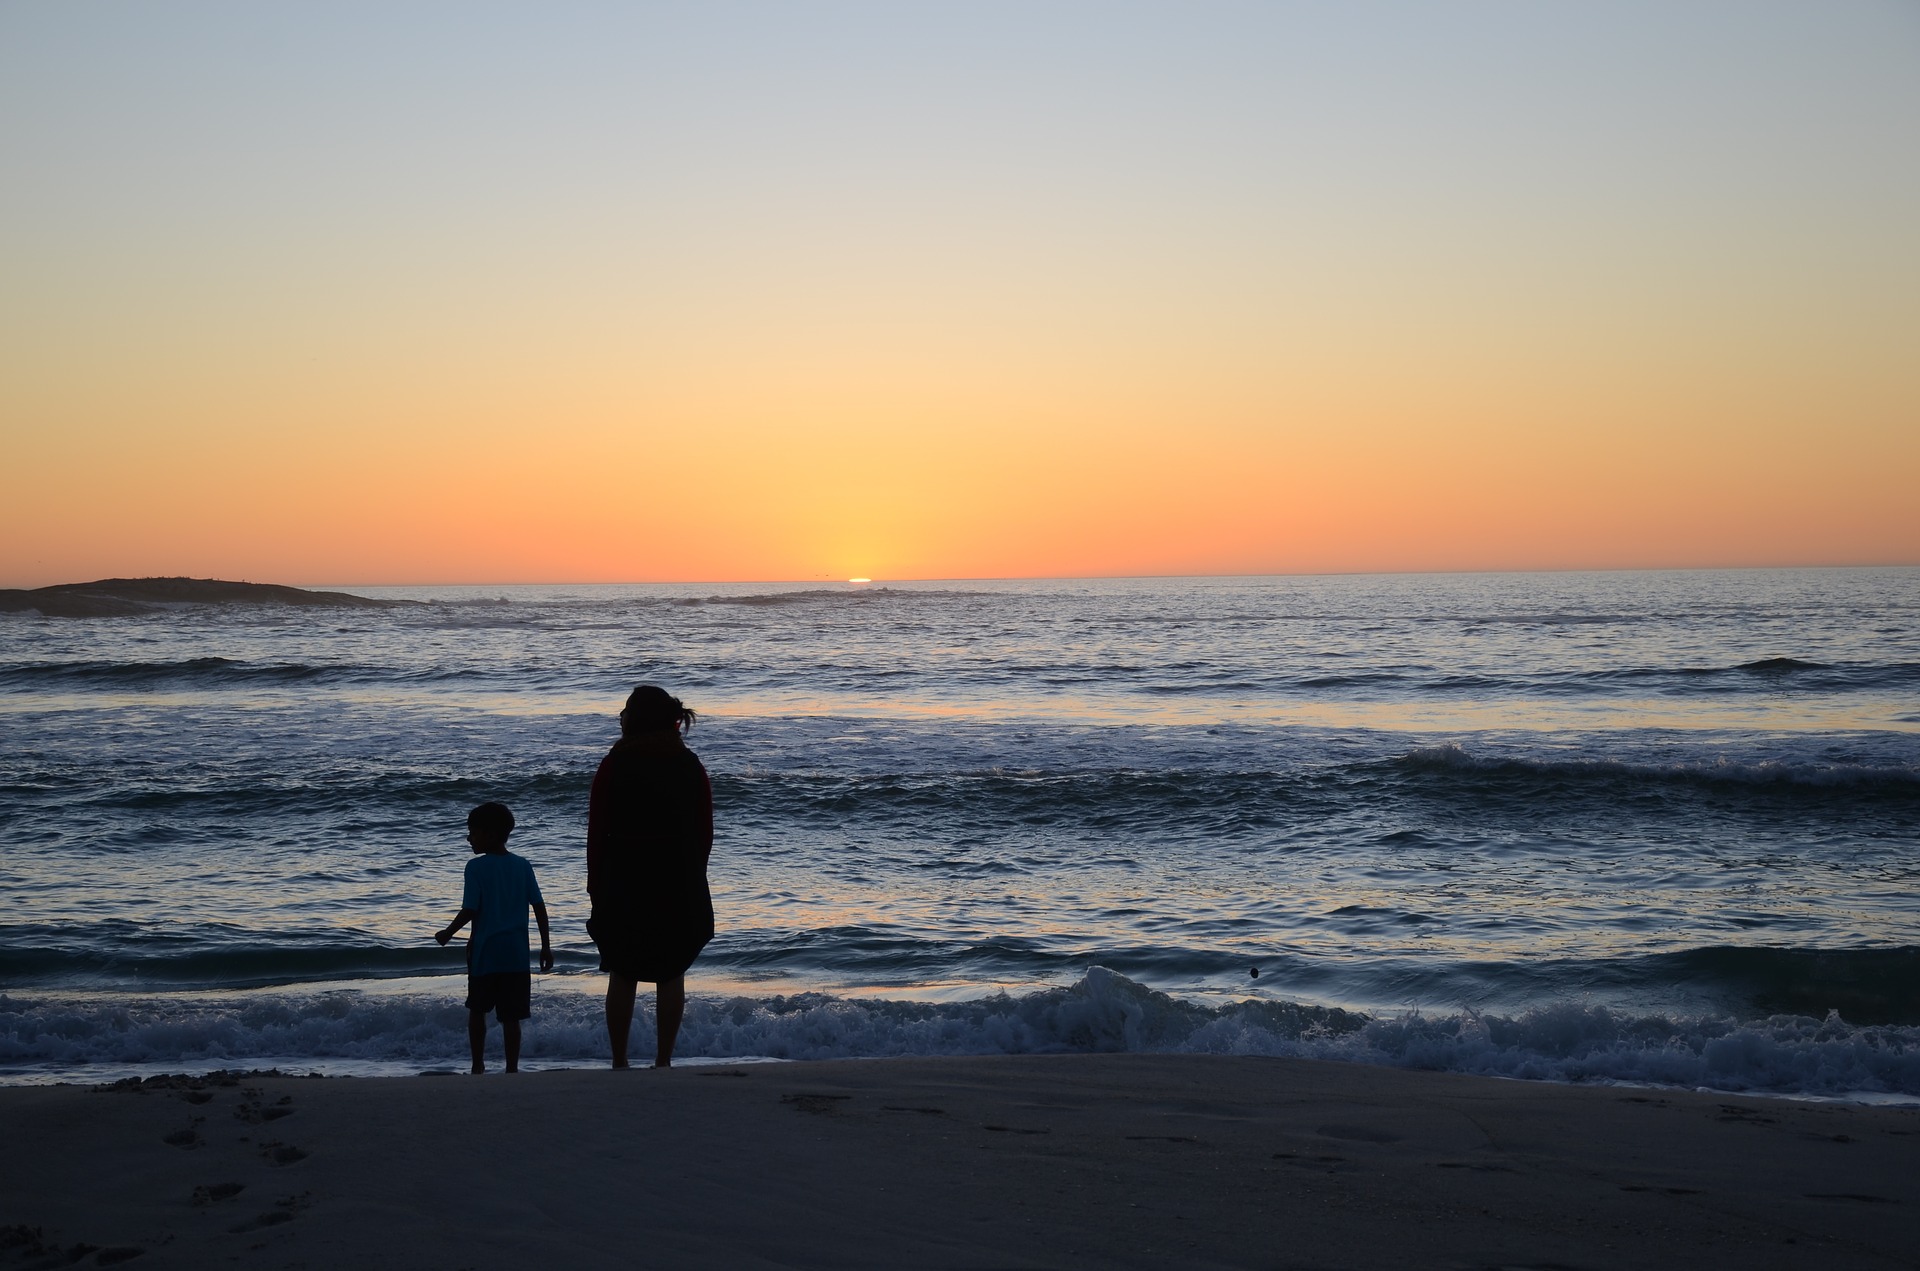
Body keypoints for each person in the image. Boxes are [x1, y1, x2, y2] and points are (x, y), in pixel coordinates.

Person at [586, 685, 714, 1069]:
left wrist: (595, 880)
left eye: (624, 711)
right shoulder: (689, 764)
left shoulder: (615, 763)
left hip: (624, 876)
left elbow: (598, 829)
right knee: (671, 971)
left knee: (624, 970)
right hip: (678, 876)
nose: (619, 717)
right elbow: (704, 829)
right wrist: (696, 872)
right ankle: (663, 1060)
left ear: (636, 719)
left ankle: (620, 1060)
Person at [434, 802, 553, 1074]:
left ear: (488, 834)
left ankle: (478, 1065)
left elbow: (470, 909)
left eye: (472, 833)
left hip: (484, 953)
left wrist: (447, 933)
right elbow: (539, 907)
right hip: (516, 955)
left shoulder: (475, 868)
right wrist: (545, 946)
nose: (469, 839)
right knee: (512, 1018)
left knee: (478, 1010)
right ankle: (512, 1068)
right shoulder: (522, 865)